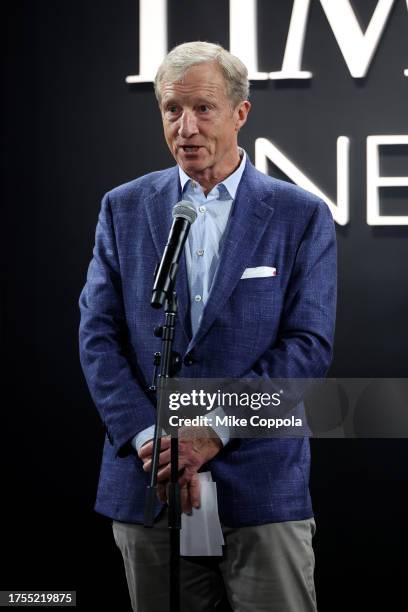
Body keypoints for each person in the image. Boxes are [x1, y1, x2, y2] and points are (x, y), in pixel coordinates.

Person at [79, 41, 336, 612]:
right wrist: (152, 439)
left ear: (240, 113)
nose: (186, 127)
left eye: (203, 108)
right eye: (172, 110)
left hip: (259, 483)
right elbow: (98, 336)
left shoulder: (300, 214)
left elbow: (307, 347)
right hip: (152, 483)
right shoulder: (123, 208)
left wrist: (212, 428)